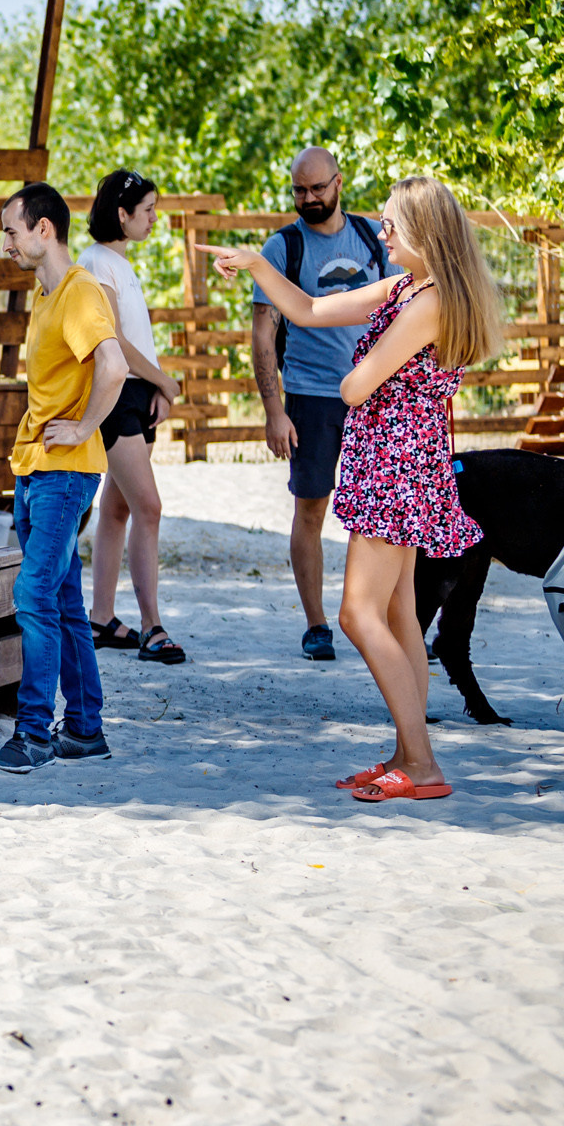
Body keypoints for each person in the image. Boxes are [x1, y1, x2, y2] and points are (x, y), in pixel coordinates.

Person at [199, 174, 504, 803]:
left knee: (356, 614)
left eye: (393, 223)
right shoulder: (408, 287)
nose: (382, 231)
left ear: (424, 232)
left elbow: (356, 386)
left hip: (396, 465)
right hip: (401, 461)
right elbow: (309, 310)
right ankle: (408, 750)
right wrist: (258, 263)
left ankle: (420, 765)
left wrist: (346, 378)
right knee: (397, 615)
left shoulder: (429, 302)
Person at [0, 183, 128, 774]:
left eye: (12, 231)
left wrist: (82, 427)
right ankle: (86, 730)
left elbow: (113, 366)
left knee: (33, 595)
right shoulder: (47, 296)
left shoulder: (78, 292)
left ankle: (34, 735)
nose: (6, 243)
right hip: (37, 470)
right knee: (65, 602)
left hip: (64, 475)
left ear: (45, 230)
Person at [252, 146, 392, 660]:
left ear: (339, 181)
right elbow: (263, 335)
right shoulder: (281, 248)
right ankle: (316, 625)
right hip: (311, 397)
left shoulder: (373, 239)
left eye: (317, 188)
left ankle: (387, 618)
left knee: (385, 512)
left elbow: (399, 311)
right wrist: (274, 410)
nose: (308, 198)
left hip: (373, 394)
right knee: (311, 508)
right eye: (299, 190)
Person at [78, 169, 187, 665]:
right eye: (146, 211)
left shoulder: (118, 262)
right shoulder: (97, 263)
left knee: (119, 509)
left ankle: (100, 618)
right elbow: (115, 341)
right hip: (118, 396)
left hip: (137, 393)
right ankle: (152, 626)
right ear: (121, 214)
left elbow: (136, 339)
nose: (153, 219)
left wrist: (158, 384)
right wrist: (164, 381)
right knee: (150, 506)